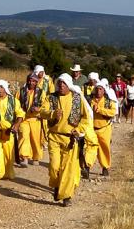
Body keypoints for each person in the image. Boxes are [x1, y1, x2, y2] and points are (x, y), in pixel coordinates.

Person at [41, 73, 95, 206]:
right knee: (54, 167)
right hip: (54, 136)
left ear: (69, 85)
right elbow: (42, 112)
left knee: (67, 169)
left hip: (70, 139)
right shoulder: (51, 98)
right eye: (59, 83)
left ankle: (66, 196)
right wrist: (52, 114)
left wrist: (79, 129)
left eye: (64, 83)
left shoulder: (77, 98)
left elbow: (85, 118)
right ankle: (56, 185)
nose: (61, 85)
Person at [0, 79, 22, 188]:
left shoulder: (13, 101)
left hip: (9, 133)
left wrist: (16, 125)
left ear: (5, 88)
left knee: (9, 156)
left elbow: (20, 114)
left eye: (1, 87)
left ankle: (7, 173)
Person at [16, 71, 45, 167]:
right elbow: (16, 105)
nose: (31, 83)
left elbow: (45, 106)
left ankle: (36, 157)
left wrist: (38, 109)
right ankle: (24, 157)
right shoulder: (21, 91)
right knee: (24, 136)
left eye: (33, 81)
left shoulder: (41, 93)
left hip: (35, 119)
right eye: (29, 80)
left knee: (35, 140)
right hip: (24, 119)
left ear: (36, 82)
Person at [89, 81, 117, 177]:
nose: (98, 91)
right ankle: (87, 167)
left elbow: (113, 112)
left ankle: (105, 167)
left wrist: (100, 110)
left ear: (104, 90)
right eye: (97, 89)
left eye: (100, 89)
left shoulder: (109, 102)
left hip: (104, 128)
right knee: (89, 147)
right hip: (91, 128)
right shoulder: (89, 101)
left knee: (104, 148)